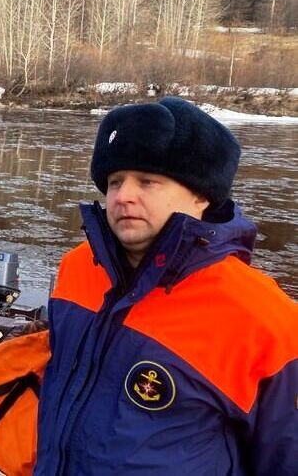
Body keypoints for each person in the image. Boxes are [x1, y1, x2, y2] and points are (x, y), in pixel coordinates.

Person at [36, 97, 297, 474]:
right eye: (114, 182)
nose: (123, 196)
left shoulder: (264, 318)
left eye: (147, 182)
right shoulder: (77, 267)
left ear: (201, 195)